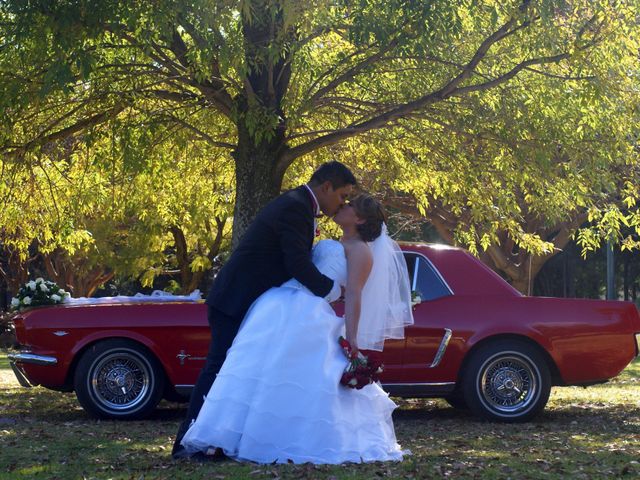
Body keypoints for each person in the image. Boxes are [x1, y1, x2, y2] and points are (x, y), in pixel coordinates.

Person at [180, 194, 414, 464]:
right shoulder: (338, 241)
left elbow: (355, 295)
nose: (343, 205)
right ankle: (227, 437)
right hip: (280, 303)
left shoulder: (361, 250)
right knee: (254, 369)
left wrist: (352, 338)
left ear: (359, 219)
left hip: (307, 312)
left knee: (289, 375)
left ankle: (279, 439)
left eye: (350, 206)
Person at [172, 161, 357, 459]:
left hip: (249, 301)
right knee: (219, 369)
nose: (342, 203)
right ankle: (186, 443)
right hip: (234, 299)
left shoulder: (298, 205)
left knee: (237, 372)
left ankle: (216, 440)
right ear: (326, 187)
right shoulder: (295, 207)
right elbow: (295, 263)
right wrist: (332, 291)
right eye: (342, 195)